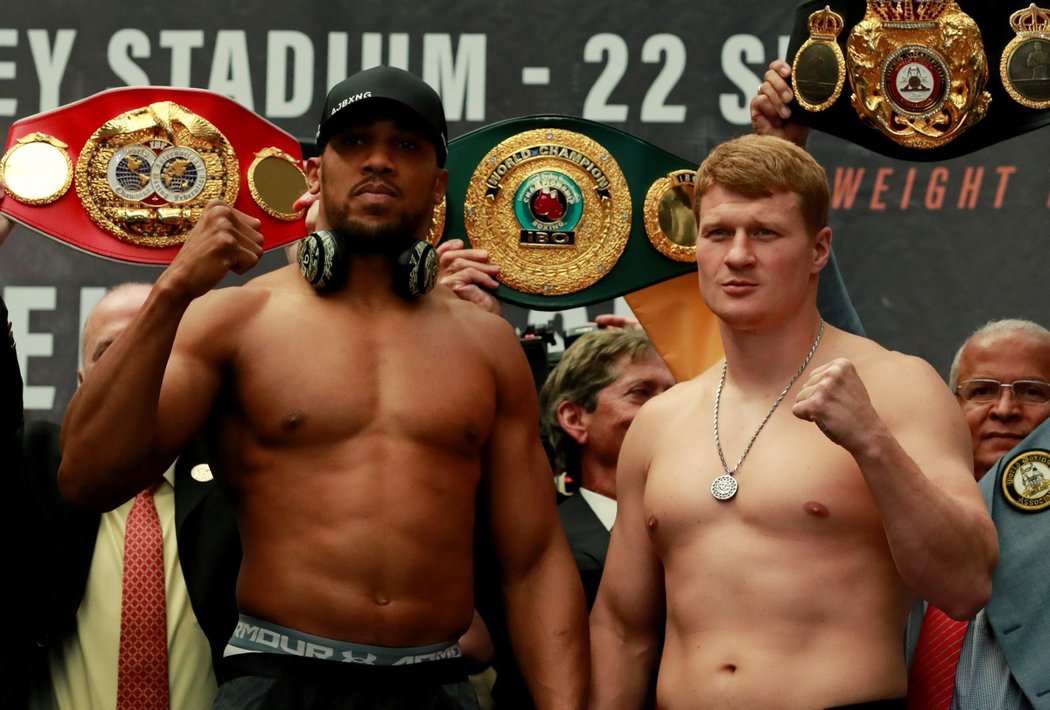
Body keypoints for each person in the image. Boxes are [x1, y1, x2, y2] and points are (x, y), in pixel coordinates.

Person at [58, 65, 587, 709]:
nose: (380, 162)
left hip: (435, 684)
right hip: (279, 678)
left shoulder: (486, 344)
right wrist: (173, 291)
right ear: (313, 173)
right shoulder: (236, 320)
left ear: (438, 184)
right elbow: (87, 477)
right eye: (355, 143)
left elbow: (532, 562)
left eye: (407, 147)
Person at [588, 133, 998, 708]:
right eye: (718, 233)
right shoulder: (661, 420)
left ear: (818, 250)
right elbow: (622, 625)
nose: (737, 256)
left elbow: (966, 583)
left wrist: (871, 442)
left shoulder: (896, 387)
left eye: (765, 233)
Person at [12, 282, 242, 710]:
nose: (139, 368)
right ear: (83, 386)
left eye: (160, 346)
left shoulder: (243, 480)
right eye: (113, 353)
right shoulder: (37, 470)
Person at [907, 319, 1050, 709]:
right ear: (952, 407)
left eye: (1033, 392)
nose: (1005, 409)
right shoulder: (899, 511)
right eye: (982, 391)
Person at [539, 327, 674, 608]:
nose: (670, 407)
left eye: (674, 392)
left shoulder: (717, 521)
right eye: (641, 392)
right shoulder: (548, 548)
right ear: (575, 418)